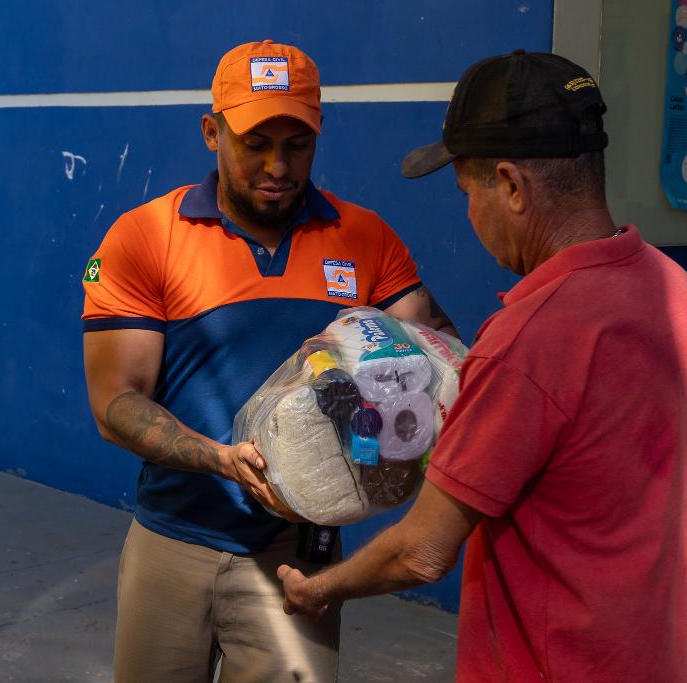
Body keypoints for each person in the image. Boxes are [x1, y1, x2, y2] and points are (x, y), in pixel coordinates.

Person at [279, 50, 687, 682]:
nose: (468, 214)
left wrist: (320, 589)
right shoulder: (680, 294)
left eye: (466, 192)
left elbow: (424, 552)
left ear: (512, 187)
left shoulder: (532, 336)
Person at [81, 39, 456, 683]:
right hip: (174, 542)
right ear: (211, 132)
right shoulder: (147, 236)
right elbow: (115, 404)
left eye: (297, 143)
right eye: (255, 143)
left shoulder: (363, 237)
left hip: (299, 558)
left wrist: (395, 420)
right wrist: (218, 457)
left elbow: (439, 355)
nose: (278, 165)